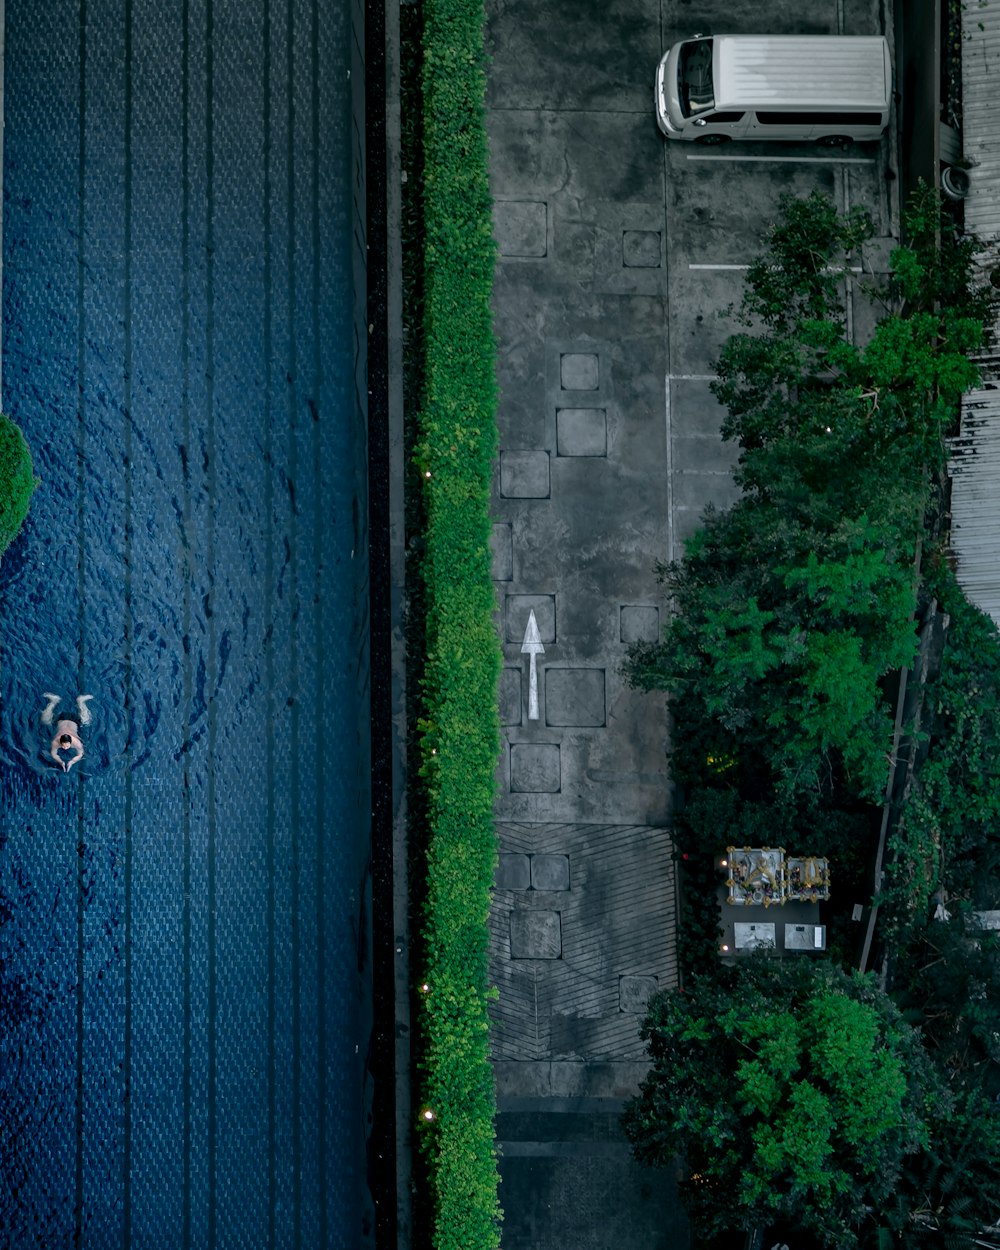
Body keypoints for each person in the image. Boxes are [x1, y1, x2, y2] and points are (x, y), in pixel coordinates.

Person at [41, 693, 94, 773]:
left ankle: (81, 702)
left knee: (87, 721)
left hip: (74, 720)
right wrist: (60, 762)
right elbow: (53, 754)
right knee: (44, 720)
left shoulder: (77, 743)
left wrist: (72, 762)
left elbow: (80, 754)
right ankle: (53, 701)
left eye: (67, 746)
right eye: (63, 745)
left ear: (71, 742)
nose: (65, 748)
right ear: (60, 741)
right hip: (60, 719)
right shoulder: (55, 742)